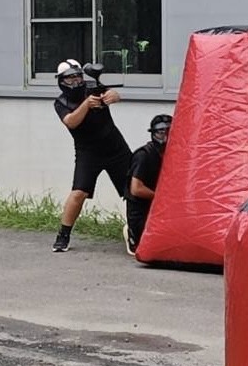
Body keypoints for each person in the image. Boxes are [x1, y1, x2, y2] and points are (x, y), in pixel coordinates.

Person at [51, 59, 132, 252]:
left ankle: (135, 230)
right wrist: (87, 104)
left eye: (78, 76)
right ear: (62, 81)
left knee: (132, 190)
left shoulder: (93, 87)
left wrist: (113, 95)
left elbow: (114, 94)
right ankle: (63, 235)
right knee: (79, 192)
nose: (76, 81)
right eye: (70, 78)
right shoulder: (61, 102)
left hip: (115, 147)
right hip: (88, 152)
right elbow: (71, 122)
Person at [124, 113, 171, 256]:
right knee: (148, 249)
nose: (165, 137)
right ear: (154, 134)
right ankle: (130, 231)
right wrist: (161, 197)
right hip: (142, 209)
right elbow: (136, 189)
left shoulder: (172, 154)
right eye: (161, 132)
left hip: (160, 208)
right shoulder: (144, 155)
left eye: (169, 132)